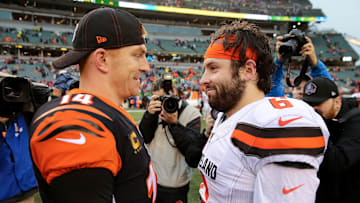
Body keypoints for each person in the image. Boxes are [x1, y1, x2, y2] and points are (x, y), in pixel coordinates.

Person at [29, 8, 157, 203]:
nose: (146, 67)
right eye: (137, 55)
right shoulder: (75, 121)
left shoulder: (108, 111)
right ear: (102, 59)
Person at [198, 21, 329, 203]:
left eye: (213, 68)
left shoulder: (276, 125)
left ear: (248, 70)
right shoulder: (227, 114)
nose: (203, 80)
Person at [139, 78, 201, 203]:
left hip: (176, 185)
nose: (163, 103)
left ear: (174, 92)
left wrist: (173, 123)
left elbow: (192, 151)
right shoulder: (155, 111)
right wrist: (149, 115)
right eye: (159, 99)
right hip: (153, 180)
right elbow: (144, 137)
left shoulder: (192, 114)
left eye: (164, 98)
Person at [302, 77, 360, 203]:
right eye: (309, 104)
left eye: (318, 103)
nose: (313, 109)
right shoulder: (323, 116)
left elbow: (338, 161)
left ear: (337, 102)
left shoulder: (356, 120)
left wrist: (316, 127)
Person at [267, 35, 332, 99]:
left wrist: (315, 63)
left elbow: (329, 91)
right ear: (292, 91)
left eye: (306, 89)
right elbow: (272, 85)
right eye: (298, 88)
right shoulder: (284, 105)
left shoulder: (314, 107)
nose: (301, 92)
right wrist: (278, 61)